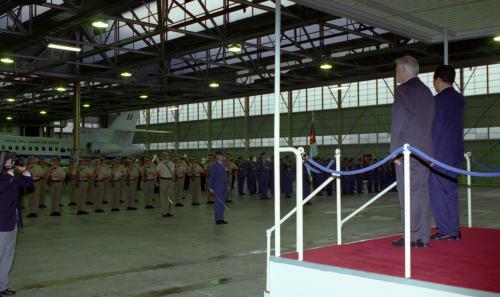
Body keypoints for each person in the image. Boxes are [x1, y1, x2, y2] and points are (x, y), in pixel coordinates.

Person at [390, 55, 435, 248]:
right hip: (425, 151)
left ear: (403, 70)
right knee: (421, 193)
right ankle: (422, 237)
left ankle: (411, 236)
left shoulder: (403, 91)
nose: (395, 74)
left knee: (407, 194)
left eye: (396, 70)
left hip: (407, 151)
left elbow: (399, 121)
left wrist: (394, 151)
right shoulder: (427, 91)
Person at [429, 65, 464, 240]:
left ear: (437, 79)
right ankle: (454, 228)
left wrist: (432, 156)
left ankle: (446, 230)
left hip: (441, 155)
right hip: (456, 153)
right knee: (450, 191)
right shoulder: (459, 99)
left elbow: (437, 130)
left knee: (438, 193)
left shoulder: (437, 101)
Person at [0, 152, 33, 296]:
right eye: (9, 160)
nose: (12, 162)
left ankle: (2, 286)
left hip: (13, 223)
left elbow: (29, 183)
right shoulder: (3, 178)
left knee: (7, 257)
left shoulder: (13, 178)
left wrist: (24, 170)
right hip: (1, 224)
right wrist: (8, 172)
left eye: (13, 160)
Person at [208, 150, 229, 225]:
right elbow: (211, 177)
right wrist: (210, 187)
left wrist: (227, 185)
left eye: (223, 155)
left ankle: (221, 218)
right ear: (217, 156)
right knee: (218, 204)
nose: (223, 157)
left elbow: (225, 176)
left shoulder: (223, 165)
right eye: (221, 155)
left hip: (223, 187)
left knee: (222, 204)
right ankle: (217, 219)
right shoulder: (214, 166)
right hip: (217, 188)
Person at [156, 152, 175, 217]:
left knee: (170, 197)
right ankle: (164, 212)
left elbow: (173, 172)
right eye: (166, 155)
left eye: (168, 155)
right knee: (163, 197)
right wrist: (156, 181)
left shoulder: (171, 163)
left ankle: (170, 211)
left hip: (170, 180)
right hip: (163, 180)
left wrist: (173, 180)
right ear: (163, 156)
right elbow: (157, 173)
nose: (168, 156)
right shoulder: (160, 164)